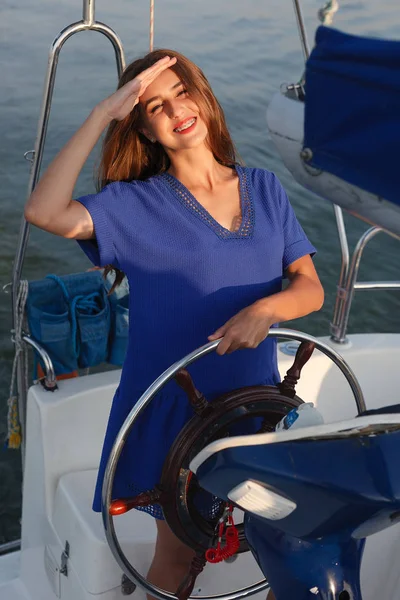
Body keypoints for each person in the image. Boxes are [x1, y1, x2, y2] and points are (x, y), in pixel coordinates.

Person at [24, 49, 324, 600]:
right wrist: (101, 113)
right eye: (155, 106)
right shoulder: (133, 206)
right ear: (143, 129)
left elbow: (309, 287)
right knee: (179, 553)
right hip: (174, 413)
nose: (175, 110)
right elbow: (44, 212)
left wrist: (265, 310)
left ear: (202, 94)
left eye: (181, 91)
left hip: (255, 406)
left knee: (285, 542)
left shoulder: (264, 187)